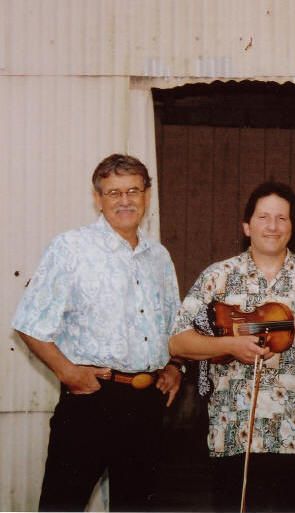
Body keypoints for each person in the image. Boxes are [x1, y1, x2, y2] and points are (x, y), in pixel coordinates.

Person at [12, 154, 183, 511]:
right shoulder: (71, 248)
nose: (125, 200)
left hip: (147, 405)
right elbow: (29, 322)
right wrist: (68, 372)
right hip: (91, 399)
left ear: (147, 195)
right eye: (114, 192)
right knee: (62, 506)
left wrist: (174, 367)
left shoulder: (159, 257)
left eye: (133, 190)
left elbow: (172, 326)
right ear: (97, 198)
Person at [169, 181, 295, 513]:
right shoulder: (218, 276)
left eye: (282, 218)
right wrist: (230, 345)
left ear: (292, 227)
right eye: (263, 217)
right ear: (246, 226)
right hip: (235, 436)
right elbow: (178, 341)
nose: (272, 226)